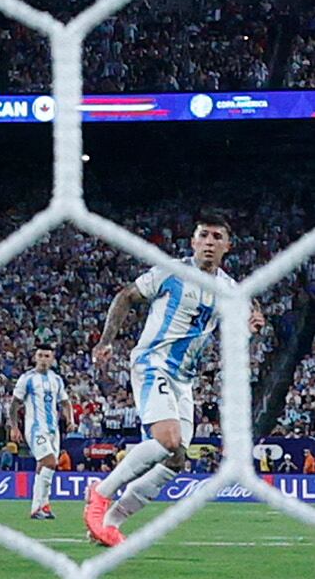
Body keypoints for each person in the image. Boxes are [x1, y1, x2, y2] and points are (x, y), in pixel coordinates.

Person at [89, 214, 233, 546]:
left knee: (176, 457)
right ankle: (100, 494)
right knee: (168, 439)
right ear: (193, 241)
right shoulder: (171, 271)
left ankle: (111, 522)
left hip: (184, 379)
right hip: (153, 362)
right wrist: (107, 340)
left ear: (227, 245)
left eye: (216, 237)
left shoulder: (227, 288)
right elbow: (126, 296)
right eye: (203, 235)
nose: (209, 242)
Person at [9, 346, 70, 522]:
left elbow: (65, 402)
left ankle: (43, 505)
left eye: (47, 356)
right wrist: (14, 427)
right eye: (40, 355)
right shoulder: (27, 379)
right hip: (35, 428)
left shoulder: (57, 380)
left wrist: (70, 420)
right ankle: (38, 506)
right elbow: (14, 405)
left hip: (53, 429)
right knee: (50, 462)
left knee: (43, 465)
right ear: (35, 358)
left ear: (52, 359)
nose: (43, 359)